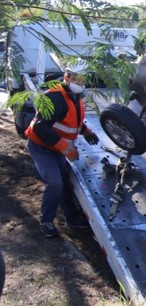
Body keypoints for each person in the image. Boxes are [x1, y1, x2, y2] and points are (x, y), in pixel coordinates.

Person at [24, 60, 99, 238]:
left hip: (55, 147)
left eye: (83, 79)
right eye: (76, 78)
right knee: (55, 182)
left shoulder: (75, 96)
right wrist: (64, 147)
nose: (80, 82)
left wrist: (85, 131)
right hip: (41, 146)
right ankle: (46, 221)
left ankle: (71, 218)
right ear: (67, 76)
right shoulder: (54, 97)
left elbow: (70, 120)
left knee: (65, 182)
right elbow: (40, 127)